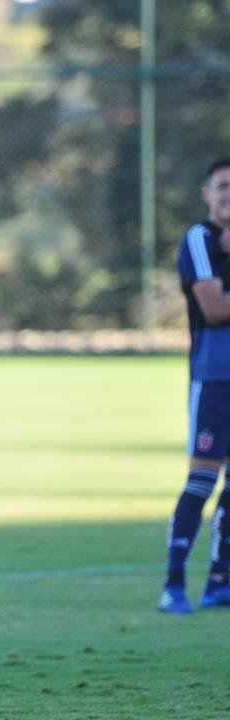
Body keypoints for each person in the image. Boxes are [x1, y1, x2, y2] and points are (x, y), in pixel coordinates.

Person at [159, 155, 230, 613]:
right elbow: (215, 310)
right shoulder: (200, 240)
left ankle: (219, 582)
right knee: (201, 480)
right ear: (207, 193)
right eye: (222, 187)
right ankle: (174, 584)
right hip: (216, 380)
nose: (229, 195)